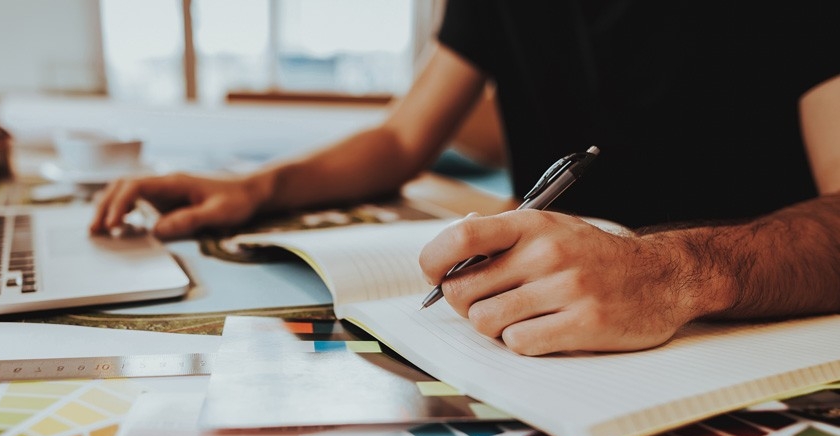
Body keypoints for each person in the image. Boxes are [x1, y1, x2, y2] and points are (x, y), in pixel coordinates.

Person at [91, 1, 840, 356]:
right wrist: (259, 189)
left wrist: (674, 272)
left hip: (753, 332)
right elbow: (400, 136)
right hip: (540, 342)